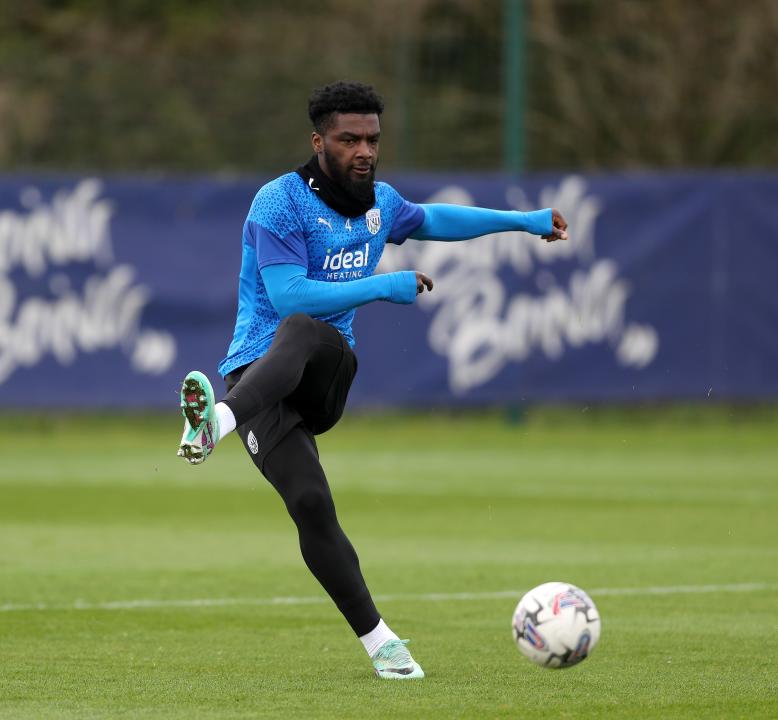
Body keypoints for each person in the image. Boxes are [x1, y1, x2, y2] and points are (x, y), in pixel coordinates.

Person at [177, 81, 568, 679]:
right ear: (319, 141)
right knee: (309, 502)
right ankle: (384, 646)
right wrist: (387, 286)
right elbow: (285, 295)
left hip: (325, 374)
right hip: (254, 374)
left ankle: (217, 421)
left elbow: (437, 218)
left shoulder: (380, 203)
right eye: (350, 139)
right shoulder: (278, 202)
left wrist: (526, 220)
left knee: (310, 331)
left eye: (372, 139)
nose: (365, 150)